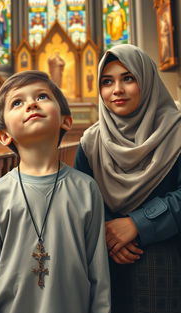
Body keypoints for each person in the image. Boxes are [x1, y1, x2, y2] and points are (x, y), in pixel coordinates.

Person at [0, 70, 111, 313]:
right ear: (4, 136)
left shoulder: (86, 189)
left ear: (66, 120)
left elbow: (99, 275)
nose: (32, 104)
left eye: (42, 97)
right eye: (17, 102)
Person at [75, 44, 181, 313]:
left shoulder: (177, 132)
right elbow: (83, 202)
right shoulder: (91, 143)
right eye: (107, 82)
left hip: (168, 265)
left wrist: (138, 223)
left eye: (128, 78)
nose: (117, 90)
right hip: (107, 264)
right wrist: (109, 231)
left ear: (147, 80)